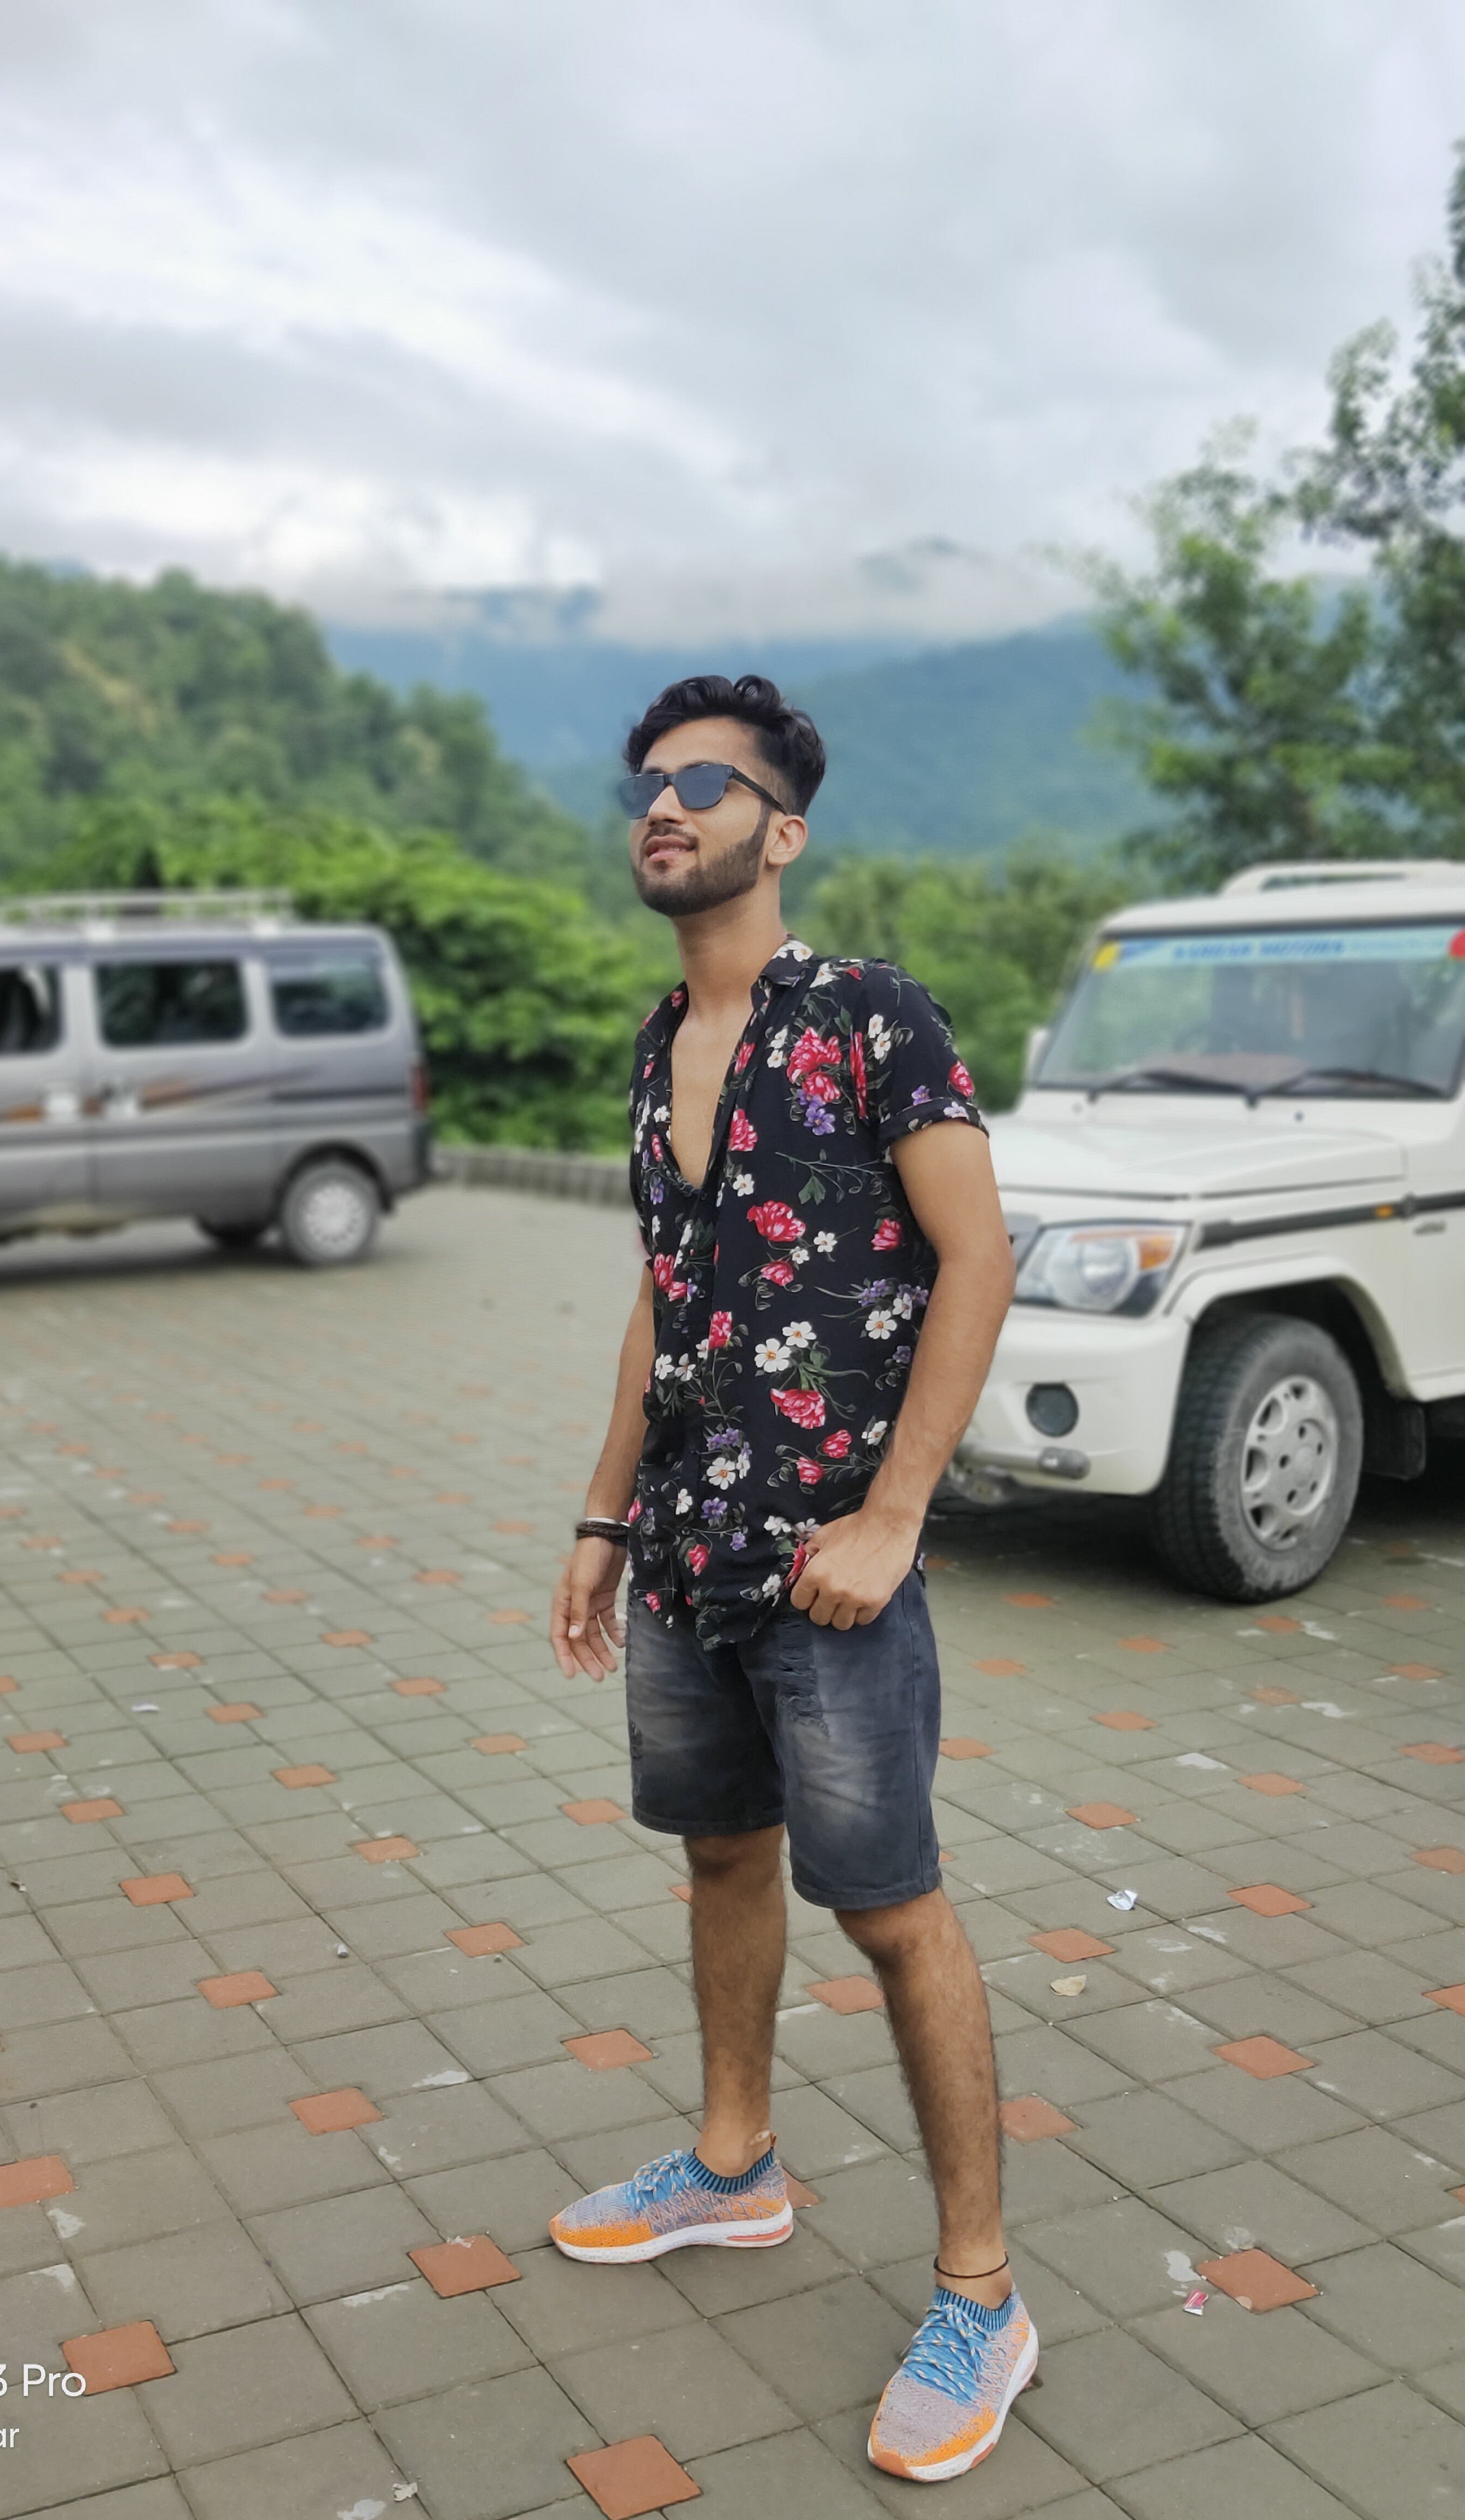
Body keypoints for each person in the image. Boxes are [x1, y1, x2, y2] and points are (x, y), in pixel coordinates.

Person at [547, 674, 1028, 2485]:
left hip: (835, 1565)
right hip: (687, 1553)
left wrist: (897, 1514)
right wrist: (604, 1518)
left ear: (784, 828)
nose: (663, 806)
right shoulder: (656, 1040)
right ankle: (734, 2169)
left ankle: (982, 2293)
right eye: (647, 785)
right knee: (721, 1857)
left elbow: (979, 1255)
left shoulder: (868, 1015)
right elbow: (663, 1295)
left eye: (704, 781)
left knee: (891, 1909)